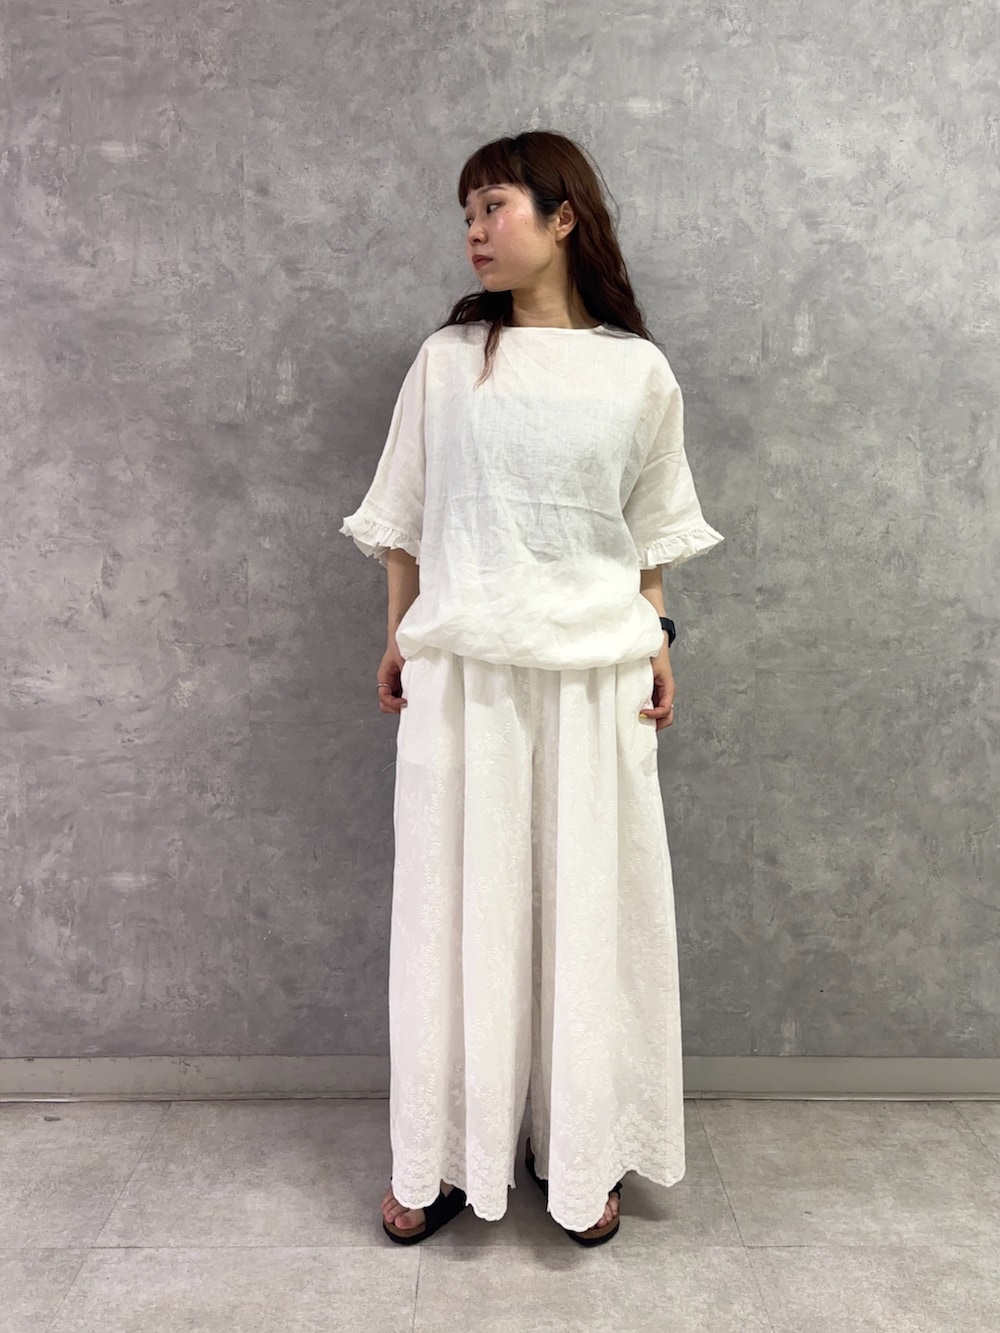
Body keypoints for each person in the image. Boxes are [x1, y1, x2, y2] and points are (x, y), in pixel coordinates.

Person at [340, 130, 724, 1247]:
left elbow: (648, 528)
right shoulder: (447, 362)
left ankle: (579, 1149)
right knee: (451, 912)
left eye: (494, 206)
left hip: (595, 678)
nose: (473, 230)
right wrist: (398, 633)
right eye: (465, 212)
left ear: (563, 218)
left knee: (584, 912)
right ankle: (439, 1153)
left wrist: (658, 636)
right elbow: (407, 512)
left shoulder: (636, 371)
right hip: (463, 672)